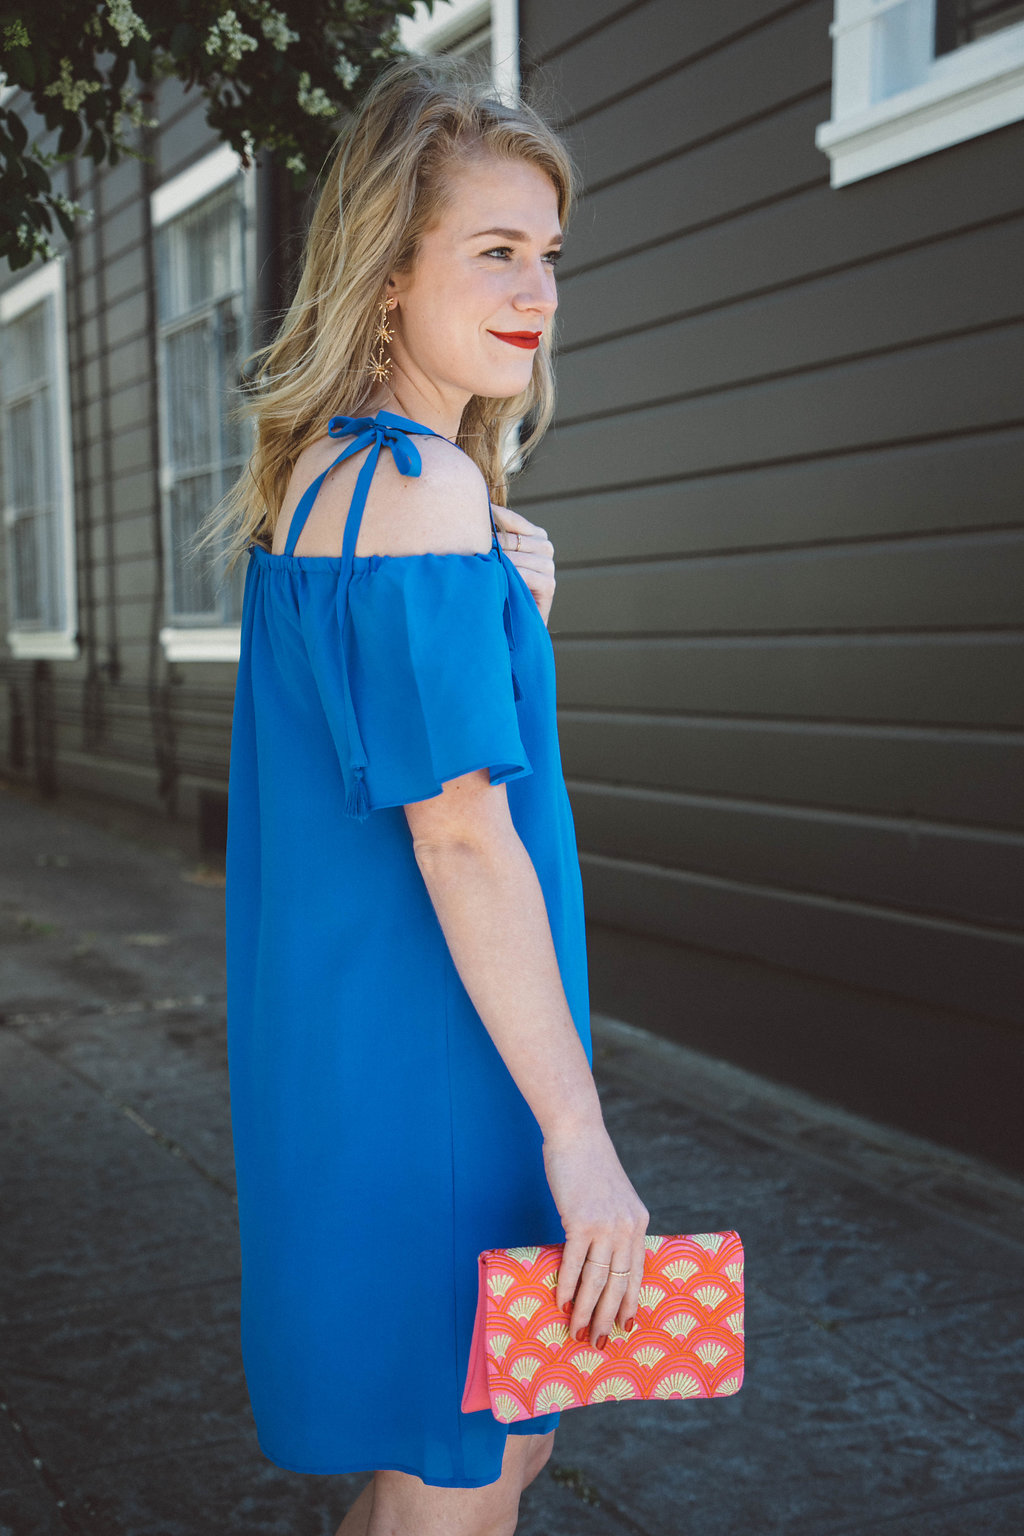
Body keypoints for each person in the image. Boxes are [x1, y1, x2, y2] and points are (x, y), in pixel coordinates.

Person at [213, 54, 649, 1536]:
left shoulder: (339, 474)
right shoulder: (417, 491)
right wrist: (578, 1134)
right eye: (494, 251)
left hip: (373, 1042)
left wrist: (507, 613)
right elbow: (461, 833)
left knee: (479, 1447)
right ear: (391, 273)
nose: (537, 289)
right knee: (465, 1466)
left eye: (549, 255)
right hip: (434, 1057)